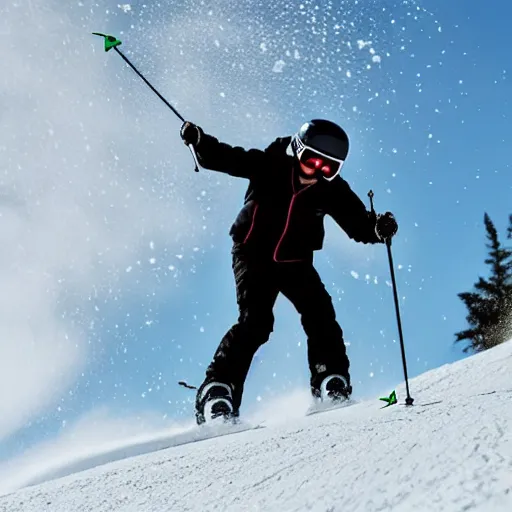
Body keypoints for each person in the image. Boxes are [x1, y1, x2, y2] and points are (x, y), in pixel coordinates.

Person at [180, 119, 398, 424]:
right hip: (252, 253)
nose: (317, 172)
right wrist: (200, 142)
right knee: (256, 322)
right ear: (297, 151)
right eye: (311, 161)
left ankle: (330, 377)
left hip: (295, 260)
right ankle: (218, 389)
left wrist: (378, 228)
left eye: (328, 168)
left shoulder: (331, 190)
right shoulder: (270, 164)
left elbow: (358, 223)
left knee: (320, 312)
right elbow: (226, 157)